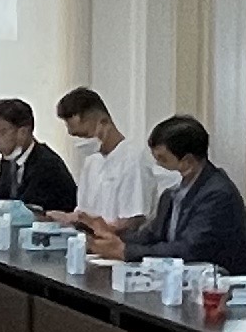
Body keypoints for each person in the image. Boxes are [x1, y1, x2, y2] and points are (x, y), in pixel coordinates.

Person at [78, 115, 246, 275]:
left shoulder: (217, 195)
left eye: (163, 159)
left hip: (225, 283)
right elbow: (152, 236)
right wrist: (111, 238)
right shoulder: (172, 194)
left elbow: (188, 249)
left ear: (188, 162)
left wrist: (127, 252)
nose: (158, 166)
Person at [48, 88, 162, 230]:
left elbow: (133, 221)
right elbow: (84, 214)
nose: (81, 142)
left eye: (84, 135)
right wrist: (66, 218)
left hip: (120, 241)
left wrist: (98, 229)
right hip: (91, 239)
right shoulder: (92, 162)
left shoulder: (134, 160)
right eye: (75, 136)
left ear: (104, 122)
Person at [0, 98, 75, 210]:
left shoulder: (47, 164)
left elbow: (28, 209)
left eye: (2, 133)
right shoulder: (9, 161)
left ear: (23, 132)